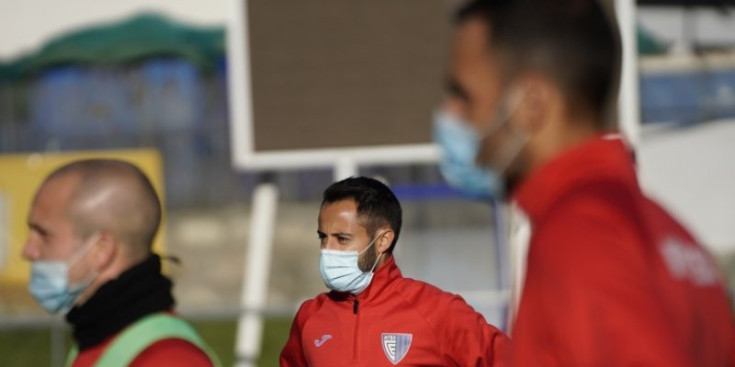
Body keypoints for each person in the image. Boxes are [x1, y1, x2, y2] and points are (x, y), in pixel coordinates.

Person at [434, 0, 735, 365]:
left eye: (464, 96)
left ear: (531, 104)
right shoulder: (667, 232)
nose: (450, 114)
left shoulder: (579, 237)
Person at [280, 176, 509, 366]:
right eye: (323, 237)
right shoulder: (310, 317)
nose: (327, 250)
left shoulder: (437, 311)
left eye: (342, 239)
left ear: (383, 241)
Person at [23, 159, 220, 367]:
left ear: (101, 249)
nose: (28, 250)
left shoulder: (168, 359)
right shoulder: (96, 341)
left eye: (43, 234)